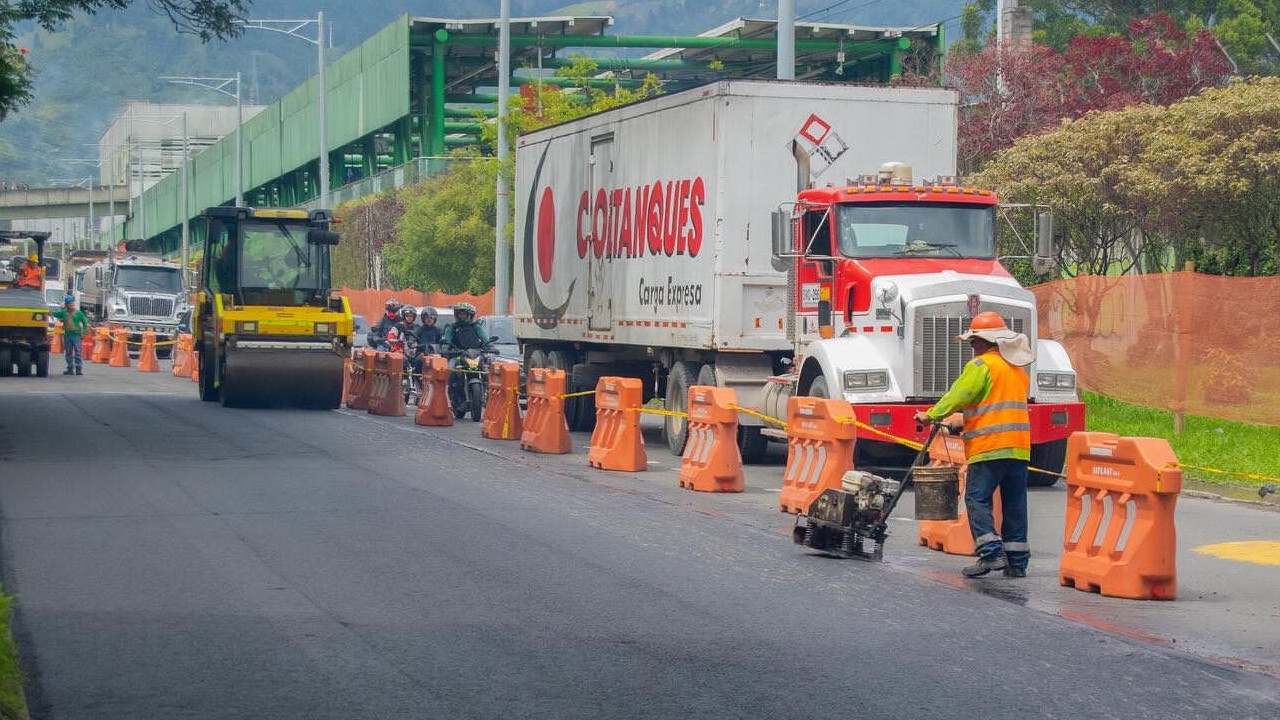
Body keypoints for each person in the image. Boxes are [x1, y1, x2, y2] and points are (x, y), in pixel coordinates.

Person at [913, 312, 1034, 579]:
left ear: (982, 341)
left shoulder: (981, 366)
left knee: (976, 498)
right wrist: (964, 422)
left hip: (989, 446)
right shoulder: (1016, 369)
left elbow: (959, 395)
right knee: (1015, 503)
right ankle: (1017, 561)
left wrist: (930, 415)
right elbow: (995, 405)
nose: (971, 347)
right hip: (1018, 447)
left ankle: (990, 553)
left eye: (973, 341)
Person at [51, 295, 89, 375]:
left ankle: (78, 369)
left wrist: (84, 333)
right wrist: (47, 312)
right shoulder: (63, 313)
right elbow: (54, 313)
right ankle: (70, 368)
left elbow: (85, 324)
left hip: (76, 335)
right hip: (67, 335)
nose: (71, 304)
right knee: (68, 352)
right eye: (69, 303)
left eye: (72, 303)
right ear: (66, 304)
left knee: (78, 352)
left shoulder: (79, 313)